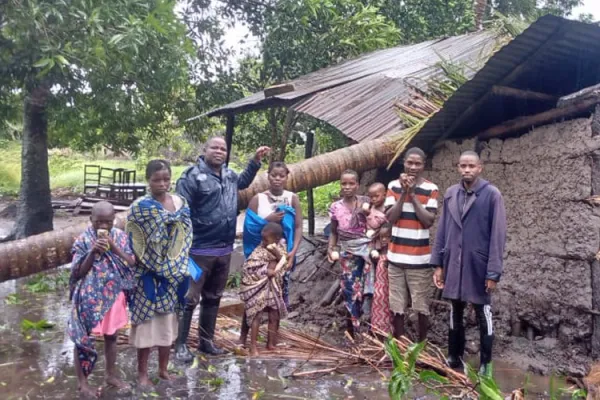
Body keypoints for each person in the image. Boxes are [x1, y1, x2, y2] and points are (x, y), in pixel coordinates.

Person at [175, 137, 270, 361]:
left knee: (214, 297)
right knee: (189, 298)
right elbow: (180, 211)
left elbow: (244, 182)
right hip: (197, 250)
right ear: (204, 150)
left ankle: (206, 342)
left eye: (223, 149)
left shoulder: (229, 175)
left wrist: (255, 161)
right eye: (214, 148)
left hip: (223, 250)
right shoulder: (191, 177)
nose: (219, 151)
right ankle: (180, 344)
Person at [431, 151, 506, 377]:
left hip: (478, 264)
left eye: (471, 166)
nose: (467, 170)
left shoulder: (492, 195)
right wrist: (438, 264)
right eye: (463, 165)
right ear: (457, 167)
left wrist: (493, 272)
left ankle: (486, 363)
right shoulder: (451, 194)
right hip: (454, 262)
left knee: (483, 311)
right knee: (455, 309)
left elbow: (498, 236)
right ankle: (454, 356)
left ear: (480, 168)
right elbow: (443, 230)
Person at [126, 160, 192, 387]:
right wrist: (158, 266)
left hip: (174, 277)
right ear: (148, 181)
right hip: (149, 277)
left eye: (166, 179)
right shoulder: (140, 207)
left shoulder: (181, 203)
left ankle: (163, 369)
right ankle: (142, 374)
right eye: (157, 180)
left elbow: (185, 234)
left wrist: (176, 266)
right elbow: (135, 241)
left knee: (168, 325)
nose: (162, 184)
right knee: (145, 325)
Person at [67, 201, 135, 398]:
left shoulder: (120, 237)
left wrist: (113, 247)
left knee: (112, 336)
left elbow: (130, 263)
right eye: (99, 222)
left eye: (108, 222)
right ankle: (83, 383)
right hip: (88, 296)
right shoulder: (83, 240)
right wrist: (93, 252)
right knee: (82, 338)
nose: (103, 226)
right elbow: (78, 272)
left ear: (114, 220)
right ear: (90, 220)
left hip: (113, 294)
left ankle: (110, 375)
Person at [238, 161, 302, 347]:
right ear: (268, 176)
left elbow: (298, 227)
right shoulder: (258, 199)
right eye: (274, 175)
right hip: (259, 257)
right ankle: (243, 338)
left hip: (282, 255)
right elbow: (249, 228)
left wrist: (293, 252)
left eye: (281, 175)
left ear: (286, 177)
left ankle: (271, 342)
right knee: (254, 297)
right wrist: (268, 219)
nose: (277, 179)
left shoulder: (292, 198)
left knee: (277, 297)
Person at [385, 147, 438, 342]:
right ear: (403, 163)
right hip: (395, 258)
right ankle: (399, 345)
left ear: (424, 166)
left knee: (421, 306)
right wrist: (403, 195)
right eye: (410, 163)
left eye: (418, 164)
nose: (413, 167)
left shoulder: (431, 189)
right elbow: (390, 217)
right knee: (397, 306)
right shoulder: (392, 186)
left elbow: (428, 221)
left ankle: (421, 346)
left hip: (420, 259)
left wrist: (413, 195)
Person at [328, 170, 370, 336]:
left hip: (368, 251)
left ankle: (371, 329)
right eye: (344, 183)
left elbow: (377, 221)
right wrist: (331, 248)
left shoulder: (366, 203)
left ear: (358, 185)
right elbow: (333, 231)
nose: (347, 187)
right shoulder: (335, 207)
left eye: (351, 183)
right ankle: (352, 330)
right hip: (347, 252)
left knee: (369, 288)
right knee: (350, 289)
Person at [239, 223, 289, 356]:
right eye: (263, 239)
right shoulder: (259, 250)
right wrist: (266, 271)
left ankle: (271, 343)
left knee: (274, 314)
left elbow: (283, 264)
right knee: (256, 314)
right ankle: (253, 345)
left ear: (277, 239)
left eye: (266, 239)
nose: (264, 242)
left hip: (273, 288)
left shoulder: (281, 248)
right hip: (258, 287)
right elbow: (249, 267)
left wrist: (277, 255)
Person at [362, 182, 388, 323]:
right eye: (370, 197)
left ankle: (381, 302)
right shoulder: (370, 208)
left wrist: (377, 233)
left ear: (385, 194)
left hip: (382, 246)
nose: (373, 199)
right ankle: (368, 298)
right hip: (370, 244)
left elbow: (386, 227)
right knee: (369, 271)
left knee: (382, 274)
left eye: (376, 196)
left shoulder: (387, 210)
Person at [370, 223, 393, 336]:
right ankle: (377, 329)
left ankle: (387, 331)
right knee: (378, 306)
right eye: (381, 237)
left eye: (387, 237)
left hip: (388, 289)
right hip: (379, 288)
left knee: (388, 308)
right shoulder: (380, 252)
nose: (384, 240)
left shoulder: (392, 255)